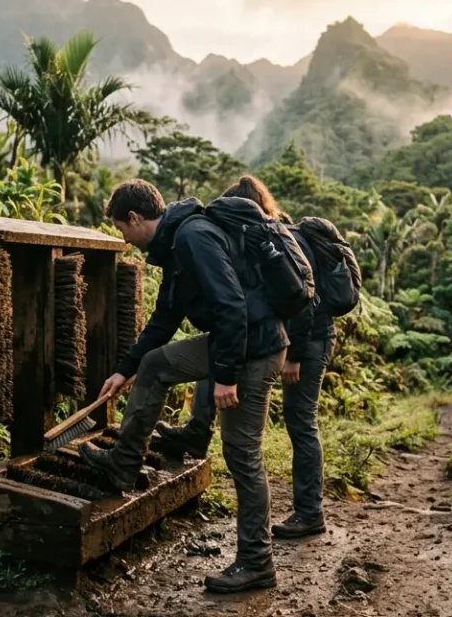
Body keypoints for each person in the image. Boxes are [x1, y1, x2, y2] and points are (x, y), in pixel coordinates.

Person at [80, 179, 286, 594]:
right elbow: (164, 319)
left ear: (136, 218)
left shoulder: (193, 237)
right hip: (235, 343)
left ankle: (257, 562)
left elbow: (231, 306)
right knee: (155, 365)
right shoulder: (175, 244)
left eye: (122, 228)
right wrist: (125, 369)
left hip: (255, 348)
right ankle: (124, 461)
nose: (124, 237)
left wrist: (224, 377)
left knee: (241, 453)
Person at [155, 175, 335, 540]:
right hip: (284, 338)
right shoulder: (252, 238)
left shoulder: (280, 237)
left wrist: (295, 356)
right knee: (222, 353)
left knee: (300, 421)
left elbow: (306, 305)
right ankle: (196, 431)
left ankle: (309, 511)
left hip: (309, 340)